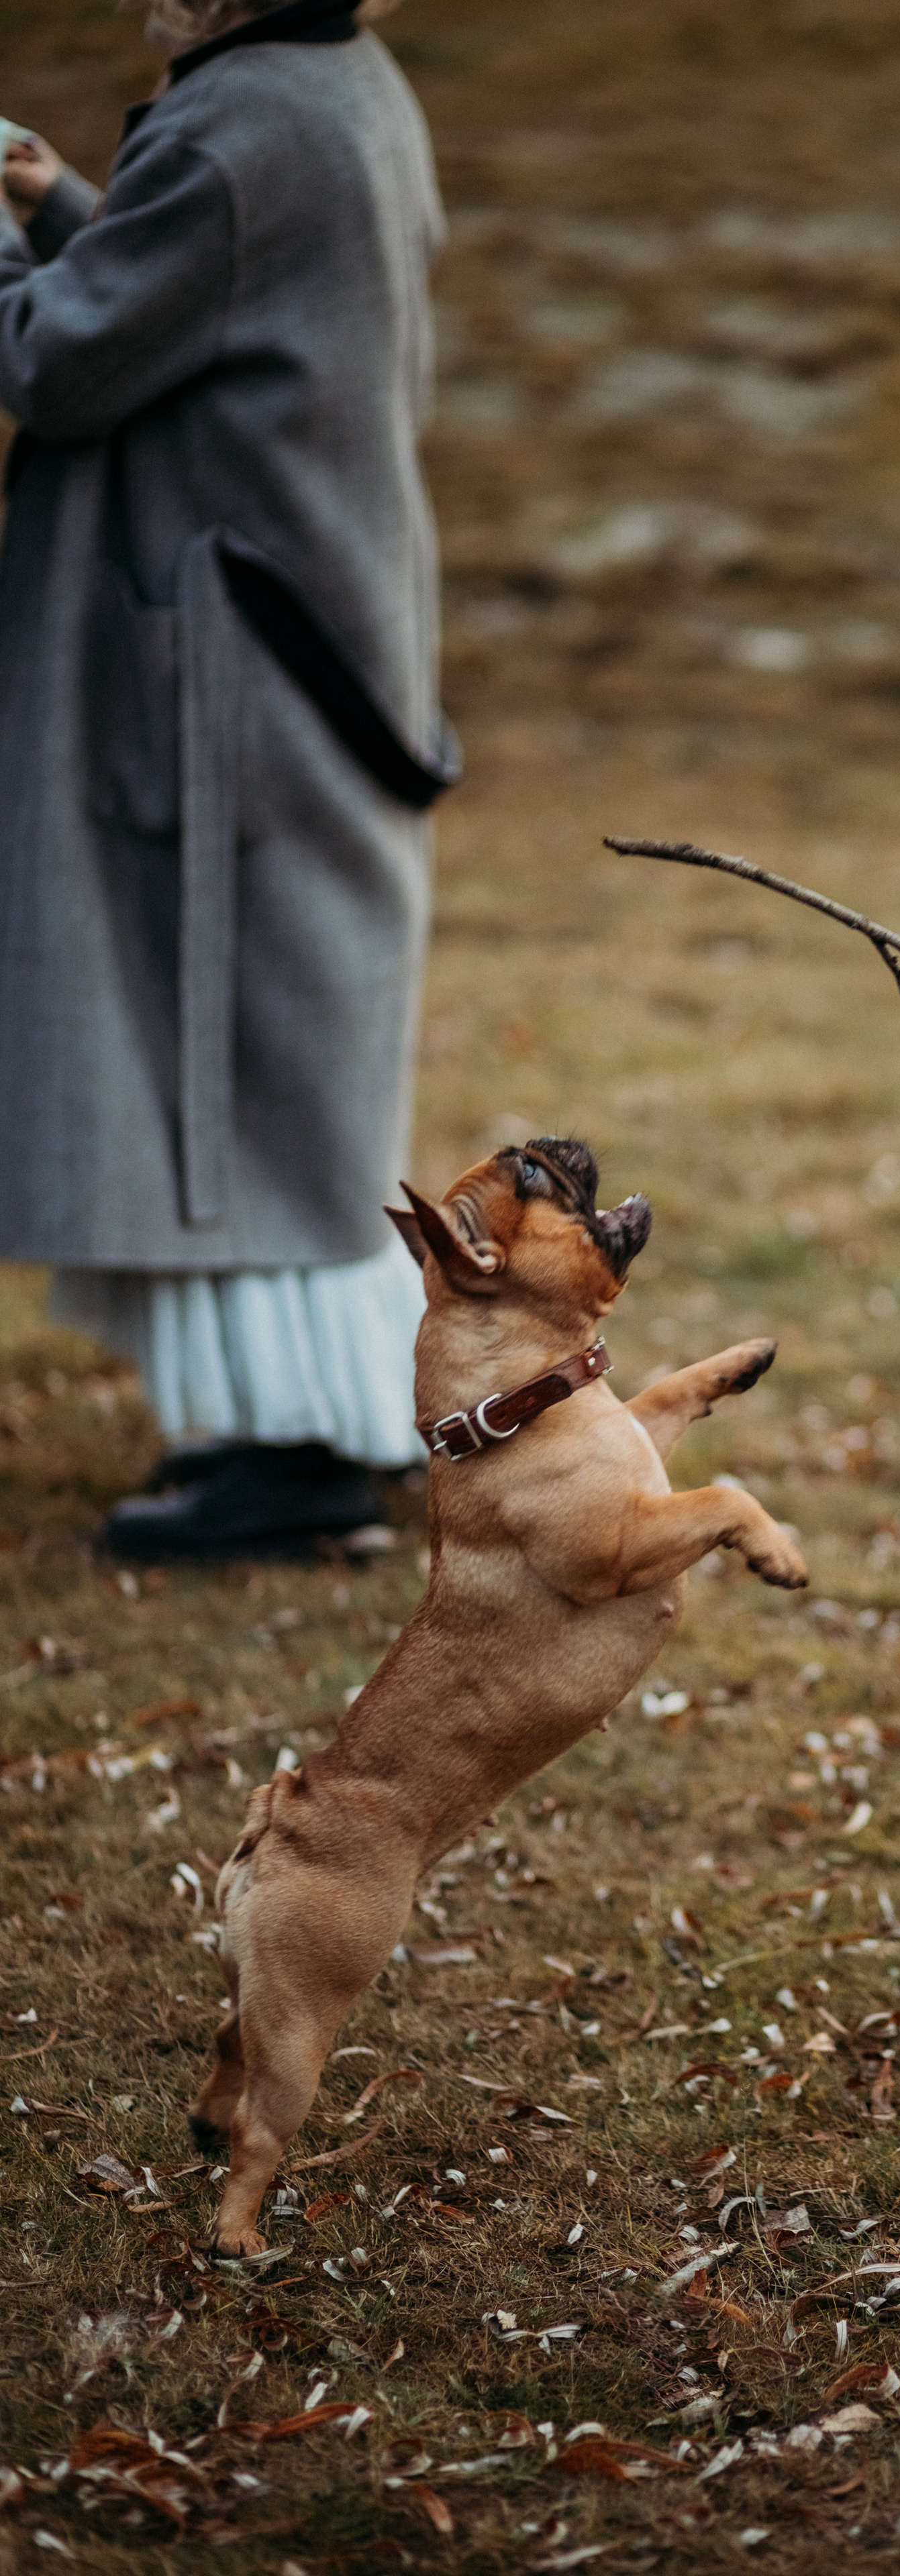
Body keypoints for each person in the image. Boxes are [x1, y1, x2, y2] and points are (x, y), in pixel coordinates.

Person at [0, 0, 456, 1560]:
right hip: (302, 632)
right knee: (288, 1044)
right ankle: (328, 1420)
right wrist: (60, 200)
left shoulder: (239, 117)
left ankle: (300, 1455)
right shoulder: (336, 85)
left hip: (226, 664)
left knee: (231, 1051)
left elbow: (60, 364)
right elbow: (211, 285)